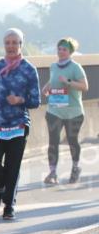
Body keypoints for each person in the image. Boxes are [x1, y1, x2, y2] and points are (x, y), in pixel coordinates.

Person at [0, 28, 41, 220]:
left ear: (21, 45)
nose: (11, 46)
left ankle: (9, 206)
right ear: (4, 45)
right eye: (8, 43)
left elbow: (36, 101)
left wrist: (20, 100)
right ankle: (0, 187)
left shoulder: (29, 70)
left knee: (13, 167)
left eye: (15, 42)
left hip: (19, 124)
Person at [43, 37, 89, 185]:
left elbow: (84, 86)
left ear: (70, 52)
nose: (61, 52)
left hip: (73, 111)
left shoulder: (76, 67)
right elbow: (53, 80)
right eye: (59, 49)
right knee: (53, 141)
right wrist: (47, 87)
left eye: (64, 49)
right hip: (55, 109)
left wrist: (68, 82)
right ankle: (52, 172)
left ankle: (75, 167)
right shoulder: (53, 66)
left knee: (72, 140)